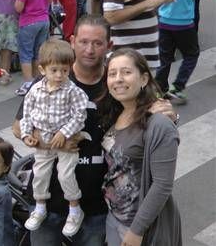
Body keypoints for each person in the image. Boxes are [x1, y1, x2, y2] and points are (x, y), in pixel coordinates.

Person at [12, 15, 177, 245]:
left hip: (96, 205)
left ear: (109, 46)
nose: (89, 49)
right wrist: (50, 141)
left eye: (98, 43)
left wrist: (169, 114)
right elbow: (19, 126)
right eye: (83, 42)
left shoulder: (117, 84)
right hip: (49, 200)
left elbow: (149, 109)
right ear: (72, 41)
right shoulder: (52, 78)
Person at [98, 48, 181, 246]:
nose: (118, 79)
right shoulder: (116, 113)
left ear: (144, 79)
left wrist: (137, 231)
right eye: (112, 74)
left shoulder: (159, 123)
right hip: (115, 218)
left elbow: (162, 185)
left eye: (126, 72)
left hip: (142, 228)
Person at [20, 39, 89, 236]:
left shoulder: (72, 91)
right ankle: (40, 206)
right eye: (54, 70)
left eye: (65, 71)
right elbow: (27, 114)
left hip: (65, 138)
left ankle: (75, 209)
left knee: (65, 174)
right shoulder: (35, 90)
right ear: (43, 70)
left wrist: (65, 132)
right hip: (43, 138)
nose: (60, 75)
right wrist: (27, 135)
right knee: (40, 172)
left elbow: (80, 115)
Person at [155, 0, 209, 105]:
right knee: (192, 54)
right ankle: (177, 87)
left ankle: (159, 89)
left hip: (165, 21)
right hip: (183, 23)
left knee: (164, 57)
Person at [102, 0, 175, 69]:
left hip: (142, 55)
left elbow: (142, 7)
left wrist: (160, 0)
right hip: (127, 57)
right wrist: (149, 3)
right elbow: (110, 17)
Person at [14, 0, 53, 95]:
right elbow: (49, 0)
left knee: (26, 53)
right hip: (44, 20)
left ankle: (28, 83)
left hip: (28, 22)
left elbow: (18, 8)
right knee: (38, 52)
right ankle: (38, 81)